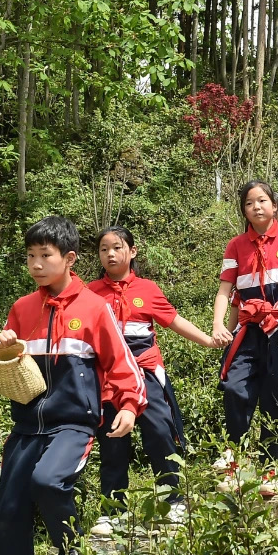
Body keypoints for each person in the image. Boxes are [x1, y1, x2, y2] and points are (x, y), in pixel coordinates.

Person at [0, 216, 147, 555]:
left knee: (49, 481)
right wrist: (2, 345)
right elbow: (12, 364)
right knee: (10, 511)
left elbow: (122, 363)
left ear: (69, 259)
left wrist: (128, 406)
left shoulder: (94, 307)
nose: (36, 264)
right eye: (30, 256)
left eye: (45, 256)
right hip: (25, 427)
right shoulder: (22, 308)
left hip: (73, 425)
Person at [86, 226, 219, 538]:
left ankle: (173, 501)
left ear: (132, 252)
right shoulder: (90, 292)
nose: (110, 254)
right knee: (112, 440)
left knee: (160, 431)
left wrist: (208, 341)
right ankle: (113, 512)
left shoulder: (148, 288)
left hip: (146, 371)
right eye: (104, 249)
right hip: (108, 377)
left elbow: (174, 321)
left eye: (117, 248)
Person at [212, 181, 278, 475]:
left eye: (262, 201)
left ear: (275, 207)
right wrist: (218, 324)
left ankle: (271, 467)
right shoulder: (236, 245)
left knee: (277, 396)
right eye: (249, 203)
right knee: (235, 388)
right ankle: (233, 455)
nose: (256, 207)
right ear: (244, 211)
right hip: (248, 330)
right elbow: (225, 290)